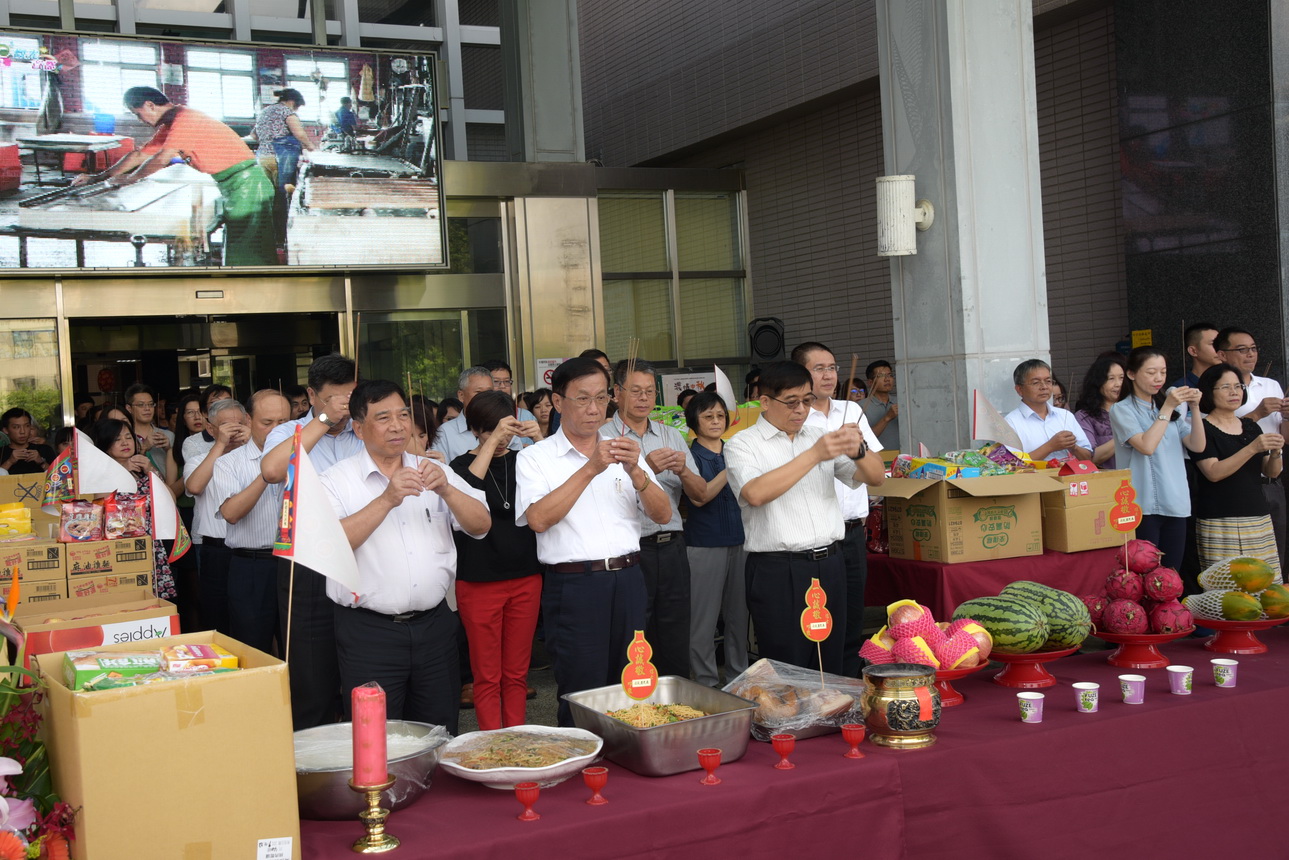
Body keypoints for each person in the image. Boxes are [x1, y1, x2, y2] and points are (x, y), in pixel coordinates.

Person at [321, 380, 490, 732]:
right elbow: (329, 545)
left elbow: (481, 525)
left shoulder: (432, 470)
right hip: (369, 632)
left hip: (435, 627)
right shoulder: (334, 480)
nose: (397, 425)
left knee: (439, 731)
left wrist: (446, 488)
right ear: (358, 427)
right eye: (383, 417)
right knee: (375, 736)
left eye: (402, 415)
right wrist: (386, 499)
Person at [516, 357, 670, 725]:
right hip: (574, 585)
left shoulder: (623, 448)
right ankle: (582, 767)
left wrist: (637, 472)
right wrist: (590, 469)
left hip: (630, 578)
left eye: (601, 399)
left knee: (633, 682)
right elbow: (537, 519)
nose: (593, 409)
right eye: (582, 399)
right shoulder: (536, 457)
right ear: (557, 402)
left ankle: (628, 767)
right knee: (581, 689)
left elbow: (663, 514)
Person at [725, 362, 884, 674]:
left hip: (830, 562)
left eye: (807, 401)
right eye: (791, 402)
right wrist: (815, 455)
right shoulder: (742, 444)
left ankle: (831, 721)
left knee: (832, 654)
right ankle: (790, 722)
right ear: (765, 401)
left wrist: (859, 450)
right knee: (788, 661)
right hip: (778, 567)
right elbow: (755, 493)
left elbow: (876, 478)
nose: (800, 410)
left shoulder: (817, 436)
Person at [261, 353, 362, 730]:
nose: (343, 406)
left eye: (351, 397)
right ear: (312, 395)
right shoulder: (287, 432)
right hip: (307, 560)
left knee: (362, 663)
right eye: (335, 398)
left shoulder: (366, 429)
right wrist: (324, 420)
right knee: (310, 671)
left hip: (361, 554)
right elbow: (272, 470)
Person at [75, 86, 277, 267]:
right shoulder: (171, 124)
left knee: (248, 251)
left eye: (138, 114)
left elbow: (163, 158)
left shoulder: (185, 119)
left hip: (247, 184)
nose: (140, 120)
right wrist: (97, 178)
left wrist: (132, 178)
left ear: (150, 105)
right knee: (241, 244)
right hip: (236, 184)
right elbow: (139, 154)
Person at [602, 358, 708, 679]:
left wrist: (684, 469)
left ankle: (678, 704)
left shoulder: (670, 434)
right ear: (616, 393)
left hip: (673, 545)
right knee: (635, 634)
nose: (644, 398)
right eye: (635, 391)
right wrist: (645, 467)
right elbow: (606, 497)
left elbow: (700, 494)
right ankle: (635, 709)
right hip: (631, 550)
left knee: (676, 631)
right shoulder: (603, 437)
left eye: (649, 391)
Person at [449, 391, 542, 730]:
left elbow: (557, 484)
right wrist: (492, 443)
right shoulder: (459, 465)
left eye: (505, 430)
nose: (500, 439)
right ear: (475, 429)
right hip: (477, 581)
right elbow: (468, 488)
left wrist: (541, 440)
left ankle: (516, 738)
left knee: (517, 672)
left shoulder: (527, 460)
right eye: (489, 430)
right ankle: (492, 742)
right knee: (486, 675)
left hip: (526, 577)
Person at [793, 341, 885, 677]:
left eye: (832, 367)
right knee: (818, 619)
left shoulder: (851, 410)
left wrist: (856, 445)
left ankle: (849, 685)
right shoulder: (795, 418)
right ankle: (820, 684)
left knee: (852, 616)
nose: (829, 375)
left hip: (853, 530)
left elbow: (876, 466)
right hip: (815, 534)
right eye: (819, 369)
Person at [209, 390, 291, 655]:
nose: (276, 430)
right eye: (267, 423)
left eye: (284, 422)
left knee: (299, 647)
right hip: (252, 566)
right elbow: (231, 513)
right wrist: (267, 473)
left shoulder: (305, 456)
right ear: (248, 420)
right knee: (252, 647)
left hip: (296, 564)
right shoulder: (229, 463)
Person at [1111, 347, 1206, 569]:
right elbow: (1146, 446)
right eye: (1151, 372)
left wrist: (1195, 407)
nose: (1159, 379)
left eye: (1162, 372)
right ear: (1132, 374)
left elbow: (1198, 445)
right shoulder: (1121, 409)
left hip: (1176, 500)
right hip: (1141, 504)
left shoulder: (1168, 410)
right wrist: (1169, 406)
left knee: (1172, 572)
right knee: (1145, 573)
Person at [682, 391, 750, 687]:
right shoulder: (689, 455)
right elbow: (700, 497)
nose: (715, 421)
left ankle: (739, 679)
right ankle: (707, 683)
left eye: (720, 415)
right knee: (703, 620)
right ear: (693, 421)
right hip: (704, 543)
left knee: (739, 618)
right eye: (708, 416)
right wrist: (731, 466)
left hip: (742, 540)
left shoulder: (737, 449)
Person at [1192, 363, 1284, 575]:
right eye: (1225, 387)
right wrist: (1252, 448)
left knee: (1265, 589)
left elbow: (1271, 472)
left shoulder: (1250, 426)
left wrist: (1276, 452)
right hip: (1220, 519)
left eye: (1238, 386)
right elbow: (1213, 472)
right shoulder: (1202, 428)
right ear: (1208, 392)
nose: (1234, 392)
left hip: (1258, 515)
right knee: (1228, 592)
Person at [1216, 327, 1289, 568]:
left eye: (1254, 349)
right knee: (1243, 562)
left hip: (1272, 479)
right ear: (1222, 354)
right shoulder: (1216, 390)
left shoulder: (1270, 385)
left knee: (1276, 556)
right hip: (1237, 482)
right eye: (1242, 349)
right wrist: (1257, 413)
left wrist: (1287, 417)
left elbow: (1284, 437)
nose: (1250, 354)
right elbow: (1219, 433)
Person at [91, 418, 177, 601]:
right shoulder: (102, 475)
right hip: (120, 548)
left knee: (157, 601)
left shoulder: (142, 468)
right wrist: (121, 471)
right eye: (117, 439)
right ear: (106, 446)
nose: (124, 443)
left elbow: (170, 500)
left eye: (128, 437)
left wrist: (150, 469)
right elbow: (102, 507)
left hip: (152, 545)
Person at [184, 398, 249, 636]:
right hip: (216, 551)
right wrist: (220, 445)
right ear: (210, 428)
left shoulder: (258, 457)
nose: (233, 430)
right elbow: (195, 486)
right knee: (217, 618)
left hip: (251, 553)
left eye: (239, 423)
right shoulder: (198, 461)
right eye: (224, 425)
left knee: (251, 620)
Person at [433, 367, 540, 463]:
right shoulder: (445, 433)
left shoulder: (506, 427)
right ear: (461, 395)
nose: (485, 398)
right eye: (479, 392)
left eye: (489, 392)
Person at [165, 391, 205, 634]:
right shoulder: (176, 450)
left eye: (200, 411)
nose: (196, 416)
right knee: (191, 586)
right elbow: (171, 492)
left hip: (212, 517)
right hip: (185, 519)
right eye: (189, 412)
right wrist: (192, 472)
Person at [1006, 359, 1093, 461]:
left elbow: (1088, 459)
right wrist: (1050, 447)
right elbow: (1011, 465)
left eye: (1048, 381)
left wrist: (1073, 447)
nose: (1044, 387)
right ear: (1019, 389)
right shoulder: (1010, 423)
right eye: (1035, 382)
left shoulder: (1066, 415)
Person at [1073, 354, 1127, 468]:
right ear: (1098, 383)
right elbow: (1091, 458)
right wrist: (1127, 435)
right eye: (1111, 379)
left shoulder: (1133, 410)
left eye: (1122, 378)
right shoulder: (1084, 416)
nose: (1118, 384)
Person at [123, 383, 173, 474]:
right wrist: (144, 447)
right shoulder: (124, 438)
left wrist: (169, 449)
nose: (147, 409)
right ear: (129, 408)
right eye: (141, 405)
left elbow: (180, 469)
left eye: (150, 404)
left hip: (166, 487)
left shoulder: (168, 435)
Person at [0, 409, 53, 475]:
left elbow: (59, 479)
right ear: (5, 430)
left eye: (27, 426)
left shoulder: (45, 450)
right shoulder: (2, 452)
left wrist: (42, 462)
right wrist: (9, 462)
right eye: (16, 427)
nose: (22, 431)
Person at [862, 360, 900, 451]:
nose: (887, 379)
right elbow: (864, 440)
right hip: (876, 461)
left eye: (890, 375)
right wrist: (887, 418)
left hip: (902, 460)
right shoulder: (861, 407)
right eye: (881, 376)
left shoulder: (901, 402)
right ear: (870, 382)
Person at [1175, 322, 1221, 388]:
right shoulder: (1180, 390)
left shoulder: (1229, 383)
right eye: (1213, 344)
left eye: (1220, 344)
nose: (1219, 349)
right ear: (1193, 351)